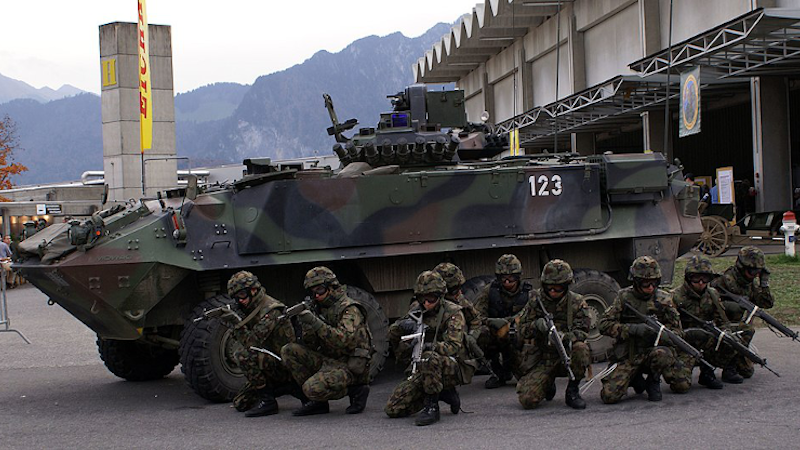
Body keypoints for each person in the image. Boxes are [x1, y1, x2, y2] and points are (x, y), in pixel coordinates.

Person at [385, 270, 474, 426]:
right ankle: (444, 393)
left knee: (428, 357)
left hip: (450, 365)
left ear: (440, 296)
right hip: (423, 367)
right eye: (422, 298)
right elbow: (392, 335)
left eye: (431, 299)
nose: (426, 303)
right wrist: (399, 328)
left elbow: (453, 346)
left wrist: (428, 345)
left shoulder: (453, 313)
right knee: (393, 409)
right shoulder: (417, 310)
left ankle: (432, 406)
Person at [281, 267, 372, 416]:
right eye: (313, 292)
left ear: (332, 287)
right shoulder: (320, 307)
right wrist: (306, 325)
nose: (316, 295)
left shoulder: (350, 309)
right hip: (329, 359)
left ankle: (356, 390)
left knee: (311, 388)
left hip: (349, 365)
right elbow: (310, 344)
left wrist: (315, 322)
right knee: (289, 351)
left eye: (320, 290)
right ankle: (317, 403)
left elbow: (343, 340)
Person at [599, 256, 682, 404]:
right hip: (628, 354)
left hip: (652, 352)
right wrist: (632, 329)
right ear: (636, 282)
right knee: (609, 396)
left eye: (654, 283)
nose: (650, 287)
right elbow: (604, 324)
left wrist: (659, 335)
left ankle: (653, 380)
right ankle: (634, 378)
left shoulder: (664, 300)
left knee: (665, 355)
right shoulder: (624, 297)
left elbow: (677, 332)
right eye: (645, 283)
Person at [515, 259, 591, 410]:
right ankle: (547, 383)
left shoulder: (577, 302)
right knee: (527, 400)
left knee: (581, 348)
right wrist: (536, 326)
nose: (553, 292)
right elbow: (520, 329)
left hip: (566, 356)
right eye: (549, 288)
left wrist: (565, 337)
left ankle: (572, 391)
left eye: (558, 288)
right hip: (543, 357)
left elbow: (582, 331)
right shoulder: (536, 300)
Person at [225, 271, 301, 417]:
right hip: (270, 359)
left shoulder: (271, 310)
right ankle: (283, 388)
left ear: (253, 290)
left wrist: (237, 324)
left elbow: (252, 343)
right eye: (236, 297)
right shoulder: (250, 307)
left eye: (242, 295)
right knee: (241, 403)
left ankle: (269, 401)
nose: (240, 301)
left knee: (242, 355)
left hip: (285, 364)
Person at [662, 255, 736, 392]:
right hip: (684, 344)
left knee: (732, 341)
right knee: (680, 386)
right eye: (696, 278)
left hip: (707, 341)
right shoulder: (675, 296)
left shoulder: (712, 294)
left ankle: (709, 372)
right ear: (688, 278)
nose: (701, 283)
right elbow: (669, 328)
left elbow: (722, 321)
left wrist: (726, 335)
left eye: (705, 278)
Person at [711, 246, 774, 380]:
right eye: (752, 271)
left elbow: (766, 303)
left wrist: (764, 284)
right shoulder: (726, 282)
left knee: (747, 371)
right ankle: (727, 367)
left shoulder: (748, 283)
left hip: (738, 331)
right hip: (720, 328)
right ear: (741, 267)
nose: (755, 275)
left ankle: (735, 358)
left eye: (758, 271)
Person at [472, 254, 531, 389]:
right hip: (496, 334)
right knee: (481, 334)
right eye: (503, 278)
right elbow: (476, 316)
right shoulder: (490, 291)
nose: (507, 282)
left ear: (518, 277)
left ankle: (516, 368)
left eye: (511, 278)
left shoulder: (528, 294)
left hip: (517, 338)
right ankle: (497, 372)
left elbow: (532, 317)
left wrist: (513, 324)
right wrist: (492, 322)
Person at [432, 262, 483, 359]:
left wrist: (472, 337)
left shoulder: (460, 300)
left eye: (460, 288)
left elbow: (475, 320)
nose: (459, 292)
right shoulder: (428, 304)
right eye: (454, 290)